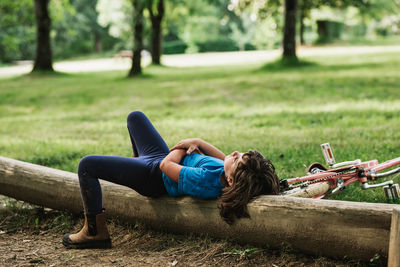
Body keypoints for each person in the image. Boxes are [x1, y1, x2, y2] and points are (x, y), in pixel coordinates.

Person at [62, 111, 280, 249]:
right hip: (158, 159)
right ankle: (129, 169)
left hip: (153, 176)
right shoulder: (224, 172)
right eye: (240, 154)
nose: (234, 153)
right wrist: (196, 141)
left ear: (231, 181)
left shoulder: (206, 181)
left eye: (237, 159)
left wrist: (182, 147)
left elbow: (166, 167)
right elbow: (219, 157)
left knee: (86, 165)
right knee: (135, 117)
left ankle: (94, 232)